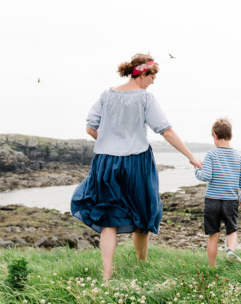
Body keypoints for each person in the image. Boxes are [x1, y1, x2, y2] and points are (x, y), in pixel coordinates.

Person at [71, 53, 202, 280]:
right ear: (143, 74)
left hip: (105, 162)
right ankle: (141, 265)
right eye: (152, 77)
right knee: (144, 212)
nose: (152, 82)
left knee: (107, 217)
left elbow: (91, 128)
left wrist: (109, 142)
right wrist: (190, 156)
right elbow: (166, 130)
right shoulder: (145, 98)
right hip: (136, 161)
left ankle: (107, 273)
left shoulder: (106, 95)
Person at [194, 118, 241, 267]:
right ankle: (230, 250)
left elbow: (205, 176)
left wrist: (197, 169)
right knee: (231, 230)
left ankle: (212, 267)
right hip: (230, 201)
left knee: (214, 235)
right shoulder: (238, 157)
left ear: (215, 136)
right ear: (231, 136)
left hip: (212, 201)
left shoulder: (211, 155)